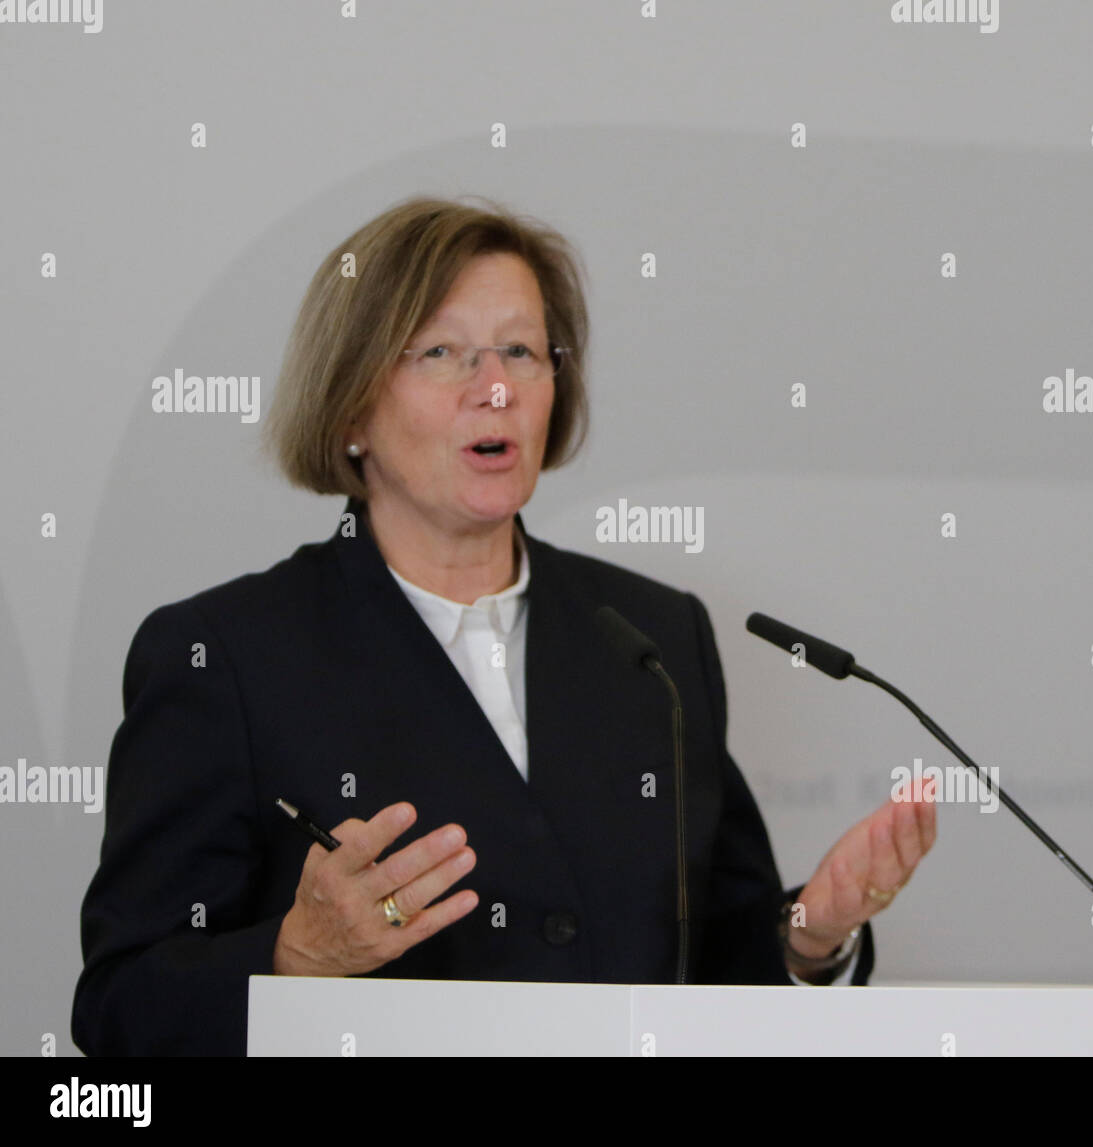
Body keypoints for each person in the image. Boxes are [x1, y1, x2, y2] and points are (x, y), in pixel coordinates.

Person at [72, 196, 936, 1056]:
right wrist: (296, 955)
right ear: (350, 408)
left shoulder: (653, 639)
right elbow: (122, 1005)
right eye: (443, 352)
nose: (496, 388)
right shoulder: (224, 657)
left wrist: (809, 933)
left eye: (521, 351)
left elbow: (708, 968)